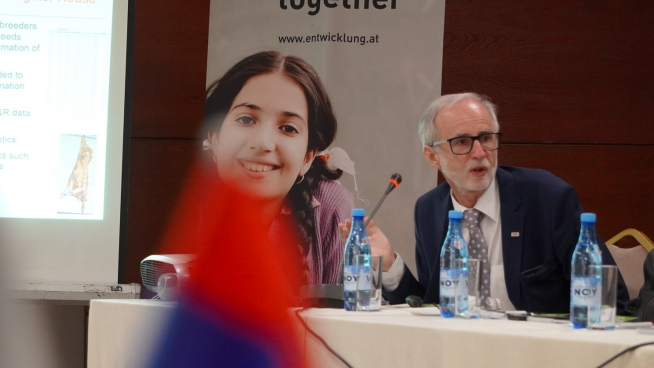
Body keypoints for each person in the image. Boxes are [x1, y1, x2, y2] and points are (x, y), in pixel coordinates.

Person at [346, 92, 628, 313]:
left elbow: (610, 300)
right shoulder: (429, 209)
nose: (479, 152)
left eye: (486, 138)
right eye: (461, 142)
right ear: (432, 156)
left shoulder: (546, 197)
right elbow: (432, 304)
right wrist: (390, 264)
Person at [205, 51, 354, 285]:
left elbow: (345, 307)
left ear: (308, 156)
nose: (263, 143)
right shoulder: (185, 201)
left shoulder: (330, 207)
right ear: (214, 136)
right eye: (246, 119)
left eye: (288, 128)